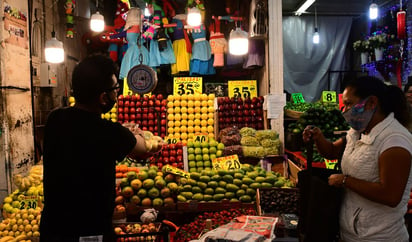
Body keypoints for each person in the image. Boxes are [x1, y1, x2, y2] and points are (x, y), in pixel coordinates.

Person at [40, 54, 150, 242]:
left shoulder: (55, 119)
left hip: (53, 228)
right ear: (103, 97)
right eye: (115, 90)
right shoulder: (109, 132)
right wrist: (136, 132)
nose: (117, 95)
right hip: (90, 231)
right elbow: (142, 148)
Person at [302, 76, 412, 241]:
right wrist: (318, 137)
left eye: (349, 103)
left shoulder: (394, 141)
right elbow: (332, 151)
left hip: (379, 237)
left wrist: (345, 181)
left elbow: (391, 195)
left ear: (371, 103)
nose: (344, 109)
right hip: (352, 233)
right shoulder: (358, 131)